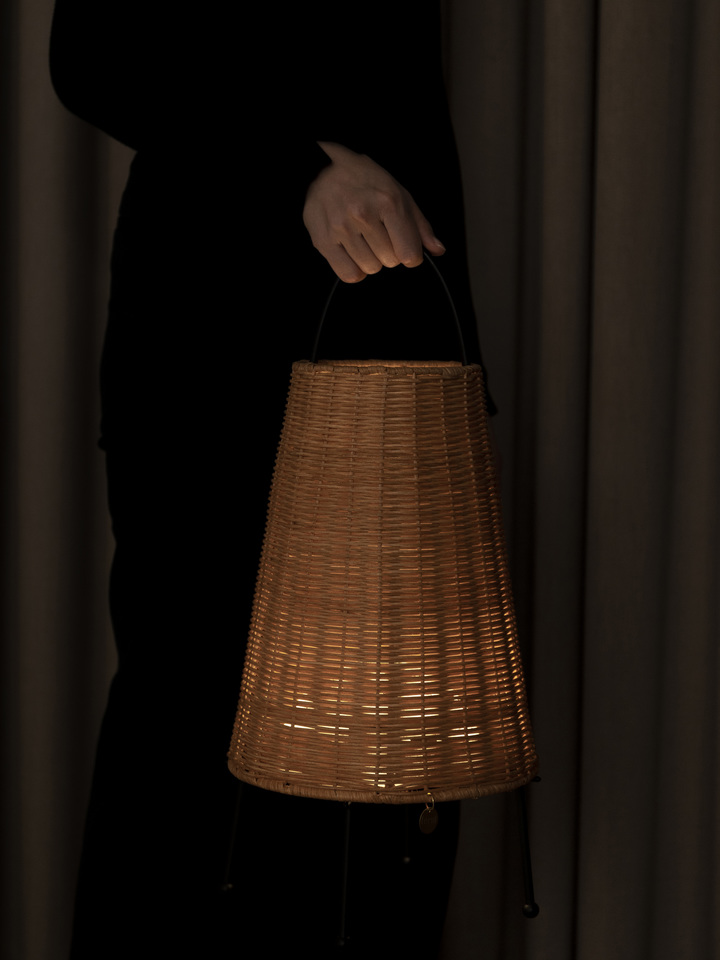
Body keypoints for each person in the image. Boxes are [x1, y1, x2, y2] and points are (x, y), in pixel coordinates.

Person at [51, 2, 490, 956]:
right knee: (189, 734)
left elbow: (393, 78)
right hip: (208, 356)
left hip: (389, 342)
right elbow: (93, 52)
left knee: (391, 764)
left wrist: (450, 353)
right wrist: (297, 168)